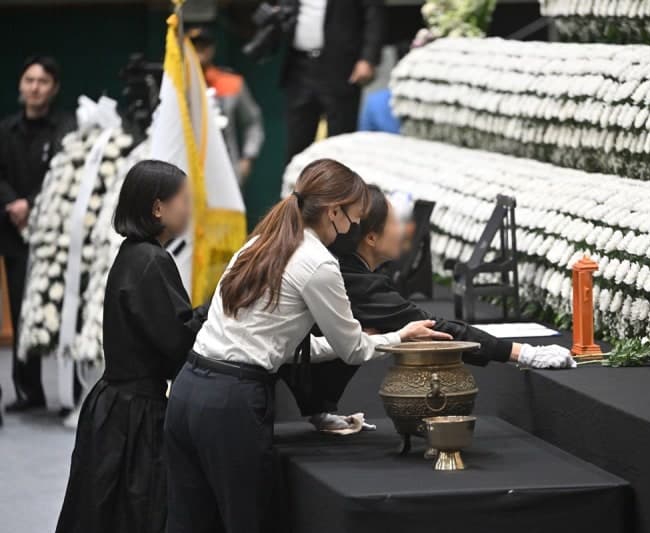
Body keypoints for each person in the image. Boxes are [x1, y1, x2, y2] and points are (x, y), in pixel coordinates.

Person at [164, 158, 450, 533]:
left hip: (187, 391)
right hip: (230, 404)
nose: (352, 228)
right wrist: (400, 336)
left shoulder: (259, 242)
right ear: (333, 212)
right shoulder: (318, 263)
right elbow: (354, 350)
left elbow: (282, 343)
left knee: (189, 522)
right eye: (353, 218)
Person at [283, 185, 576, 429]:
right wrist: (523, 353)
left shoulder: (353, 271)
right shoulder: (355, 280)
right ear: (370, 237)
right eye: (396, 222)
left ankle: (319, 409)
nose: (406, 230)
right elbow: (435, 328)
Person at [55, 160, 208, 533]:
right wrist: (217, 308)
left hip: (116, 405)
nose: (189, 209)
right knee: (137, 513)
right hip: (135, 415)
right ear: (158, 208)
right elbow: (177, 343)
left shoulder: (134, 253)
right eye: (183, 200)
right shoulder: (152, 260)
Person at [0, 56, 75, 413]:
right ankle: (28, 392)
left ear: (54, 88)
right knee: (20, 310)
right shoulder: (5, 129)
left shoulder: (66, 129)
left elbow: (63, 175)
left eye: (42, 81)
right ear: (20, 86)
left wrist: (30, 203)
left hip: (56, 237)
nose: (34, 87)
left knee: (62, 312)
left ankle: (68, 396)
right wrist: (13, 203)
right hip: (14, 235)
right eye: (29, 80)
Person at [282, 0, 385, 161]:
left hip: (341, 66)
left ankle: (340, 186)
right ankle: (297, 185)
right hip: (299, 65)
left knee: (340, 144)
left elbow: (374, 12)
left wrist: (368, 58)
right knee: (297, 144)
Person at [189, 27, 265, 185]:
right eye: (194, 45)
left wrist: (247, 158)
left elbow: (253, 121)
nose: (199, 50)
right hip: (187, 168)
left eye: (204, 45)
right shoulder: (175, 84)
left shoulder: (231, 82)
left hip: (227, 166)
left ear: (212, 49)